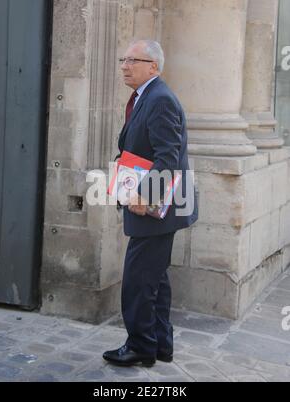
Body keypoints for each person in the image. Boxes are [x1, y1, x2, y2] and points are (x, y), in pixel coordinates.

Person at [103, 40, 198, 367]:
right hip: (157, 207)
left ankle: (140, 346)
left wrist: (144, 195)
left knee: (137, 280)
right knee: (154, 278)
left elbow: (168, 156)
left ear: (153, 67)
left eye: (133, 60)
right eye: (123, 59)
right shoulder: (147, 97)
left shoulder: (159, 100)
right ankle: (159, 344)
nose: (125, 65)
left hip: (156, 208)